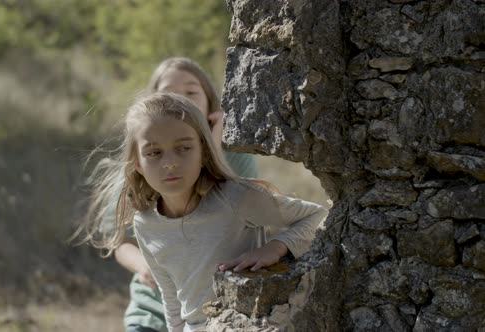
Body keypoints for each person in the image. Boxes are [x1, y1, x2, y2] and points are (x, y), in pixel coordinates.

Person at [74, 93, 328, 332]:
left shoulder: (236, 198)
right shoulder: (145, 223)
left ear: (204, 152)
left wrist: (276, 247)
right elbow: (171, 296)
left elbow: (317, 217)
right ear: (137, 164)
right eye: (154, 153)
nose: (170, 162)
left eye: (183, 148)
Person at [118, 57, 258, 332]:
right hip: (153, 304)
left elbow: (245, 215)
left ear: (210, 104)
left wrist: (212, 148)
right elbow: (119, 241)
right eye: (167, 92)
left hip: (210, 309)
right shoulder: (146, 163)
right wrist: (145, 266)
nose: (179, 100)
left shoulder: (235, 154)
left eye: (191, 92)